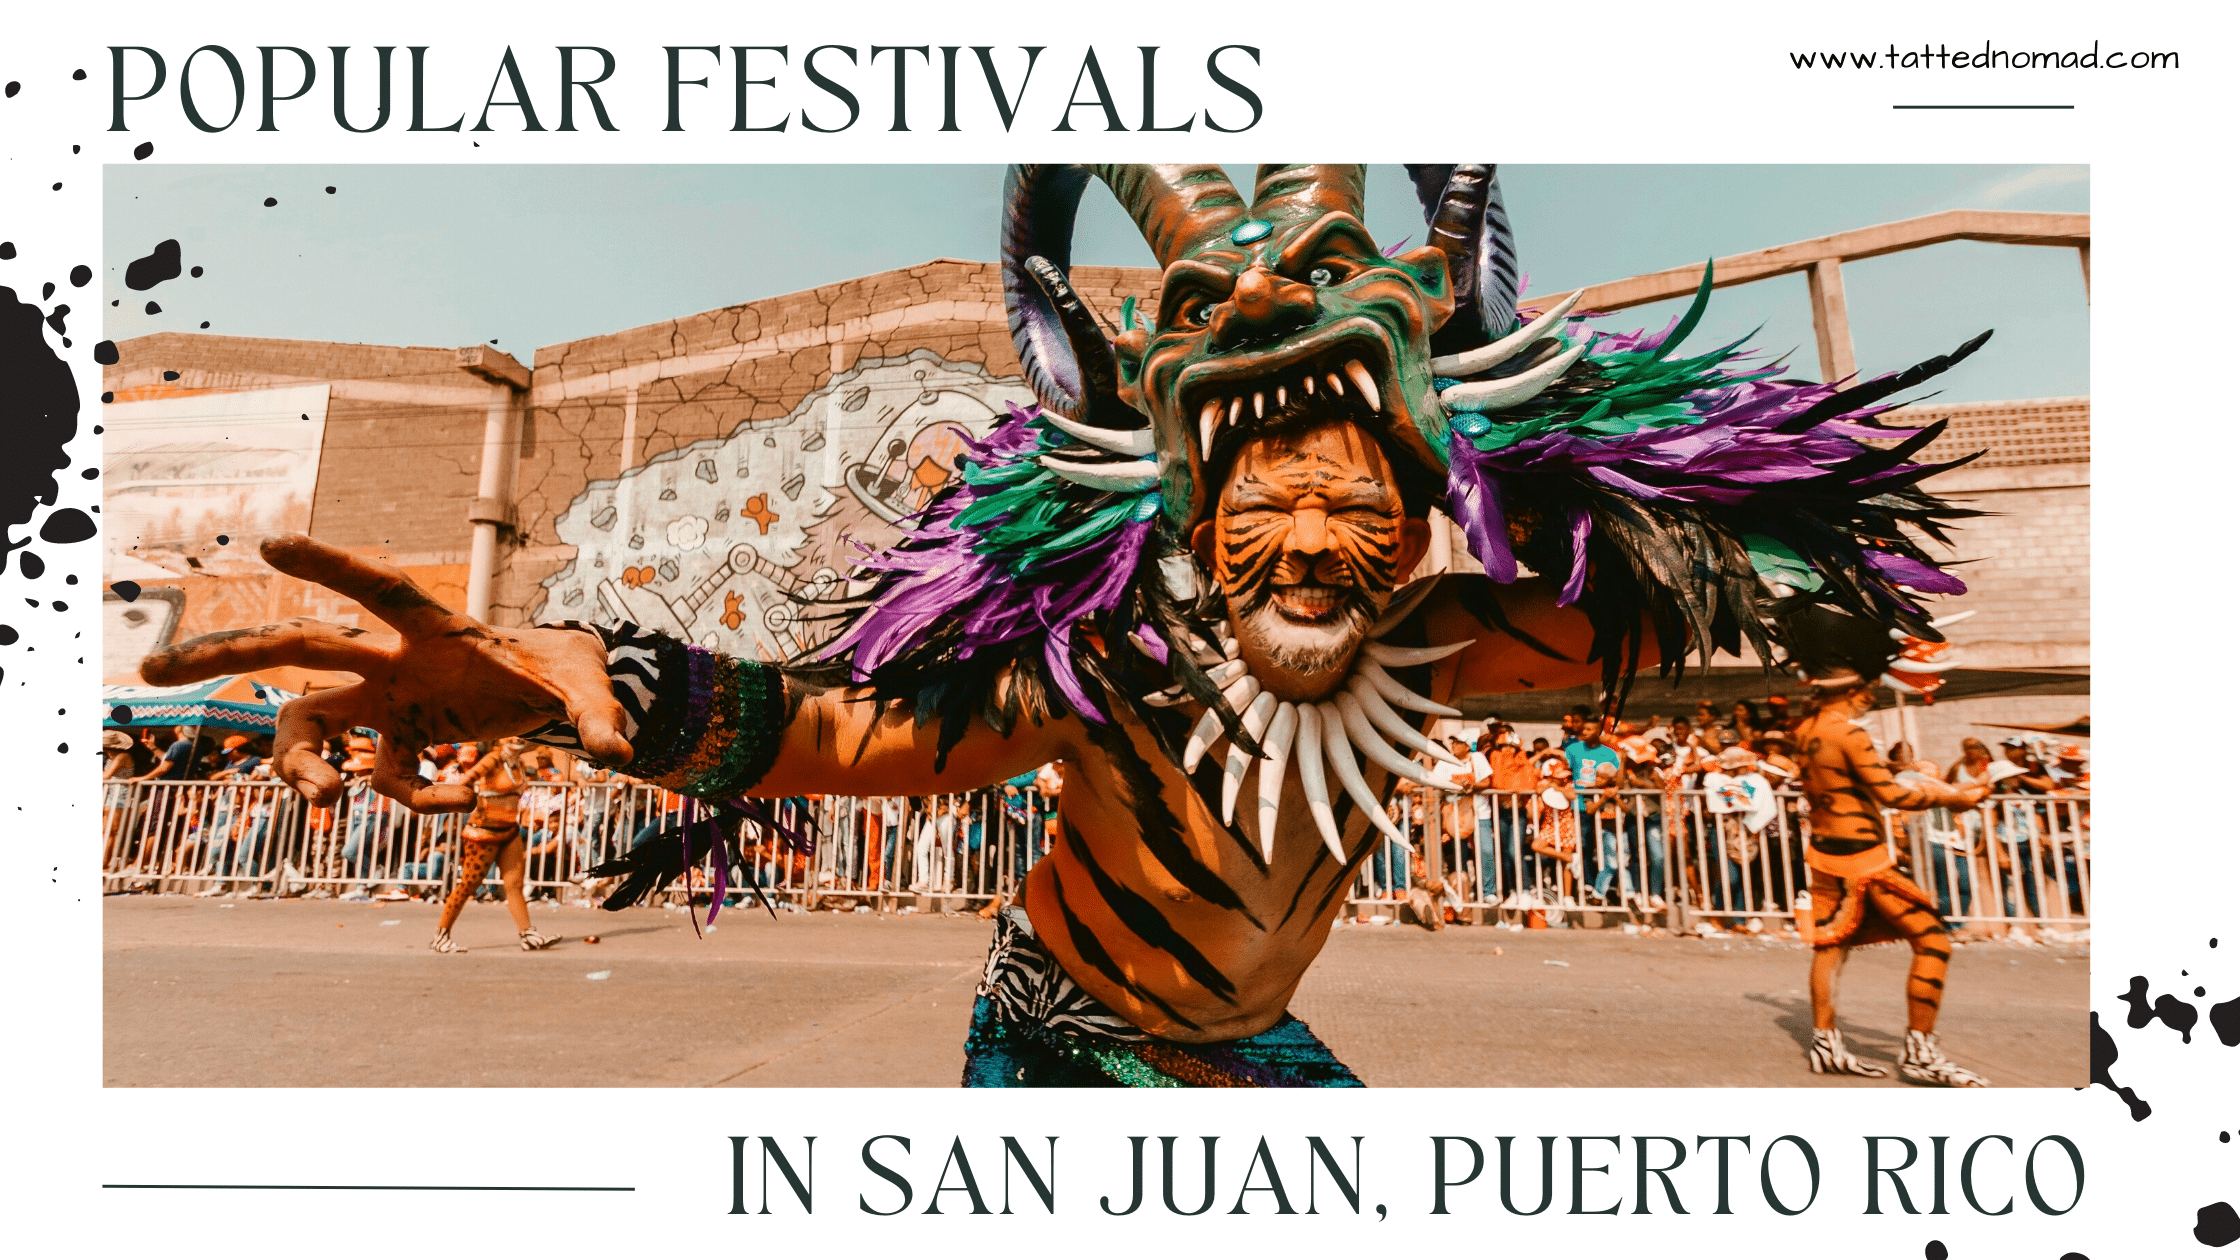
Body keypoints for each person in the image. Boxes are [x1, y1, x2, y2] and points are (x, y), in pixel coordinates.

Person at [140, 163, 1987, 1088]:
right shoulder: (1114, 653)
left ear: (1426, 514)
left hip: (1256, 1051)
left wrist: (1737, 549)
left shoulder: (1457, 640)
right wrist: (552, 671)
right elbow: (844, 736)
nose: (1308, 539)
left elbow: (1754, 606)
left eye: (1355, 501)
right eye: (1264, 497)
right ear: (1189, 505)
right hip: (1069, 1052)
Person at [1787, 608, 1993, 1085]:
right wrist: (1957, 797)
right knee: (1932, 940)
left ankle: (1825, 1044)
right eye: (1871, 691)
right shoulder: (1850, 732)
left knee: (1830, 946)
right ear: (1857, 689)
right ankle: (1920, 1055)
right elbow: (1891, 795)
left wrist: (1938, 788)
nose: (1871, 699)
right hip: (1863, 858)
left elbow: (1865, 784)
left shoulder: (1808, 731)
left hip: (1824, 854)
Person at [429, 739, 561, 953]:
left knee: (514, 885)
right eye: (511, 736)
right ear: (500, 739)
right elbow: (465, 780)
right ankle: (441, 935)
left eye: (519, 736)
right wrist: (475, 803)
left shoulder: (517, 762)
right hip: (483, 832)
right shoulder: (493, 759)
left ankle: (528, 934)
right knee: (468, 885)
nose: (516, 739)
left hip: (509, 830)